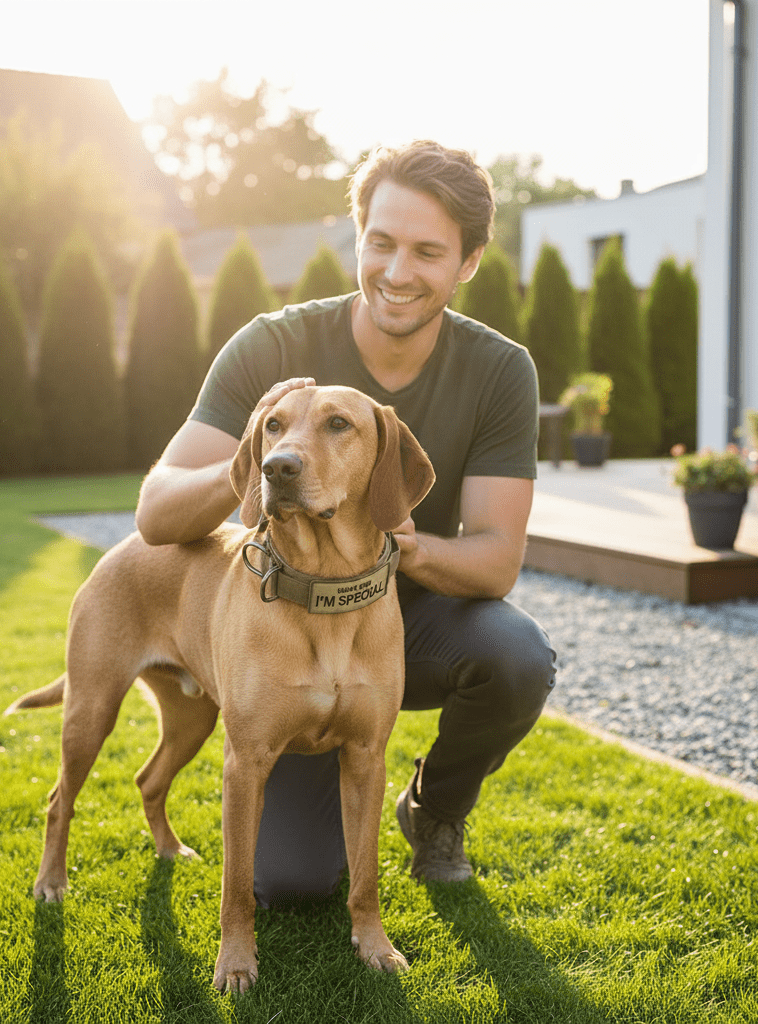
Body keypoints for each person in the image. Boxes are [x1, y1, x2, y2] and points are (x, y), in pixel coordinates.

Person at [135, 140, 556, 906]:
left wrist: (393, 542)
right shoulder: (272, 344)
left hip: (406, 622)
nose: (397, 273)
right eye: (382, 243)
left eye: (428, 252)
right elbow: (157, 511)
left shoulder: (499, 370)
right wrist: (258, 462)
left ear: (468, 262)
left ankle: (434, 813)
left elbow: (495, 561)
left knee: (516, 654)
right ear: (357, 237)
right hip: (281, 620)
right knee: (292, 886)